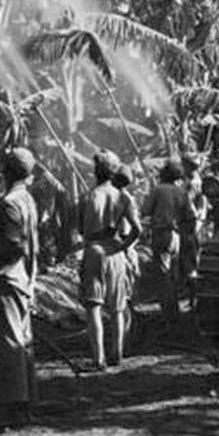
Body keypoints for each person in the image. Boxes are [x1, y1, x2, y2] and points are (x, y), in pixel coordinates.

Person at [0, 148, 40, 430]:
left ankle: (13, 406)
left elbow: (14, 243)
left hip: (9, 276)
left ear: (6, 173)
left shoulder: (9, 203)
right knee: (22, 340)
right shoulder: (27, 199)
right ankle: (26, 398)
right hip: (22, 276)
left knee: (8, 343)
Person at [79, 151, 141, 369]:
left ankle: (99, 359)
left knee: (94, 306)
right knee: (117, 307)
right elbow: (137, 229)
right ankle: (117, 353)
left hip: (95, 250)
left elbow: (81, 227)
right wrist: (123, 246)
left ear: (97, 172)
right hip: (116, 252)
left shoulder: (90, 196)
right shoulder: (122, 197)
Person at [142, 158, 196, 327]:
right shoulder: (181, 192)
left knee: (162, 276)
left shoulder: (158, 190)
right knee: (172, 274)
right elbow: (191, 216)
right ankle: (175, 314)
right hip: (176, 237)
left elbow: (145, 211)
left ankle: (169, 317)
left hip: (161, 234)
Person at [112, 163, 142, 335]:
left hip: (124, 246)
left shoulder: (123, 198)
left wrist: (124, 247)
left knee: (124, 297)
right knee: (122, 297)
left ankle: (127, 337)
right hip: (123, 247)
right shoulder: (118, 196)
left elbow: (137, 229)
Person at [180, 157, 209, 311]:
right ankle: (192, 295)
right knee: (192, 260)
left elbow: (189, 206)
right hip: (196, 225)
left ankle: (193, 297)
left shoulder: (191, 183)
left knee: (190, 263)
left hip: (189, 226)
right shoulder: (197, 180)